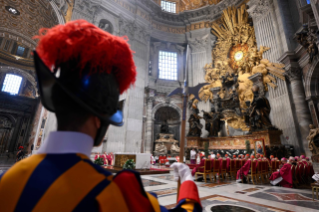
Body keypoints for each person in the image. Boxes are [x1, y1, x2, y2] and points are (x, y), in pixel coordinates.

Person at [0, 20, 202, 212]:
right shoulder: (118, 194)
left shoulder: (8, 180)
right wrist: (187, 180)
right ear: (100, 120)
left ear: (56, 104)